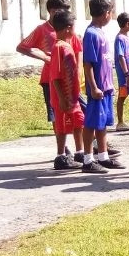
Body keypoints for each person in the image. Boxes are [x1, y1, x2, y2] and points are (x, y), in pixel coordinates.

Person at [15, 0, 81, 158]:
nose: (65, 13)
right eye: (61, 10)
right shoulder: (42, 30)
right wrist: (45, 57)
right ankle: (63, 150)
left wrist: (78, 73)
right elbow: (22, 47)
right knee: (56, 114)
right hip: (51, 79)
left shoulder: (68, 27)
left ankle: (87, 147)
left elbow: (78, 50)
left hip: (70, 79)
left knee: (78, 112)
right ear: (51, 11)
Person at [80, 0, 124, 174]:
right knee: (91, 123)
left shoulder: (101, 32)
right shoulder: (90, 34)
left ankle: (103, 156)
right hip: (97, 89)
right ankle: (88, 159)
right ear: (105, 13)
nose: (111, 16)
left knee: (102, 123)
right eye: (110, 13)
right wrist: (94, 87)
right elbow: (88, 64)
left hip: (106, 88)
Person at [49, 11, 85, 171]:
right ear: (68, 28)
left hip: (73, 96)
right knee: (62, 127)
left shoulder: (67, 46)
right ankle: (60, 156)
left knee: (79, 121)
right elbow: (55, 76)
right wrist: (62, 98)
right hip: (62, 97)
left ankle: (80, 152)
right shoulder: (58, 47)